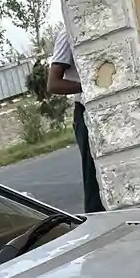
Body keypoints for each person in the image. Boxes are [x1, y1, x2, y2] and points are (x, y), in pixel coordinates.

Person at [48, 28, 105, 214]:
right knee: (93, 178)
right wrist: (90, 86)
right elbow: (53, 83)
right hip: (85, 110)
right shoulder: (68, 34)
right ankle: (97, 223)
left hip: (104, 107)